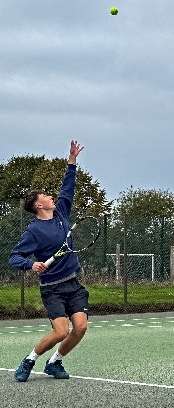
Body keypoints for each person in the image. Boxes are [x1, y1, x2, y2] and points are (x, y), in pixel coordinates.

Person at [9, 141, 88, 382]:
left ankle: (55, 362)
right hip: (51, 288)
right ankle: (30, 359)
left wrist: (72, 160)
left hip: (73, 283)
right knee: (61, 331)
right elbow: (15, 257)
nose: (51, 196)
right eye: (45, 195)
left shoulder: (62, 211)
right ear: (38, 205)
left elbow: (68, 187)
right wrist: (31, 264)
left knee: (81, 327)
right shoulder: (33, 231)